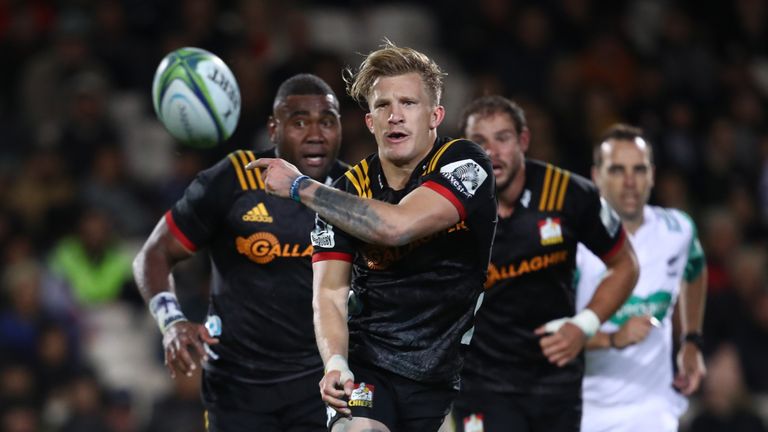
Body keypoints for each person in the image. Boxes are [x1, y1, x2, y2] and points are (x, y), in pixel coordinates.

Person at [247, 41, 497, 432]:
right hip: (372, 368)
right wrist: (336, 362)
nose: (395, 116)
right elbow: (329, 292)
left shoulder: (465, 164)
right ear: (369, 122)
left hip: (454, 373)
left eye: (409, 104)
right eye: (383, 106)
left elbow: (396, 226)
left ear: (435, 115)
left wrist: (300, 187)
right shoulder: (345, 193)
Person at [132, 73, 347, 432]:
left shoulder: (352, 194)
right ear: (273, 129)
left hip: (321, 385)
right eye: (299, 122)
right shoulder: (233, 180)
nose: (315, 134)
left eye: (327, 122)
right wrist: (171, 322)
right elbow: (153, 255)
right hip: (237, 389)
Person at [451, 96, 639, 432]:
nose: (491, 152)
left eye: (503, 138)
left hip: (555, 382)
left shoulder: (570, 193)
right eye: (479, 142)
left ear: (524, 140)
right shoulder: (446, 207)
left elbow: (626, 264)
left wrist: (584, 325)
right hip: (481, 383)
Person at [575, 123, 707, 432]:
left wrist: (692, 340)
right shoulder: (575, 246)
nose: (630, 182)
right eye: (618, 170)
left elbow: (695, 270)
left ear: (652, 175)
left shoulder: (678, 229)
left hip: (653, 410)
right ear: (597, 176)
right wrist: (612, 338)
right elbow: (547, 336)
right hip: (586, 411)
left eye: (639, 169)